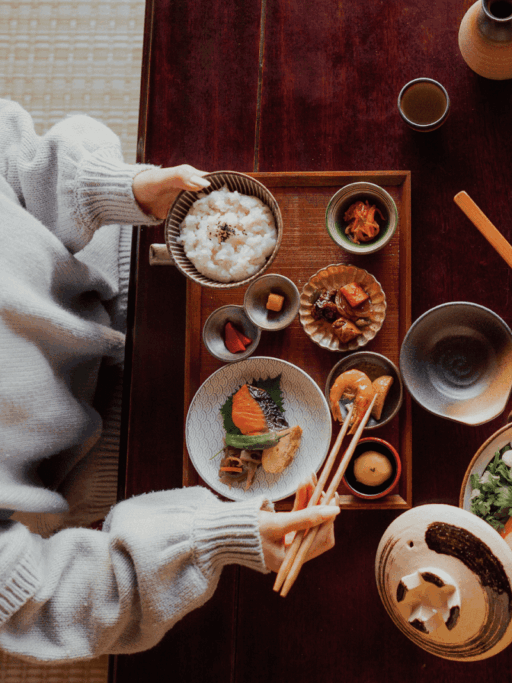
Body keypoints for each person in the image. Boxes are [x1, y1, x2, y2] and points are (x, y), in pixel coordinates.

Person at [0, 98, 341, 663]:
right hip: (124, 470)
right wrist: (219, 536)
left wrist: (118, 189)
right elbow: (33, 604)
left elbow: (17, 158)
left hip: (133, 251)